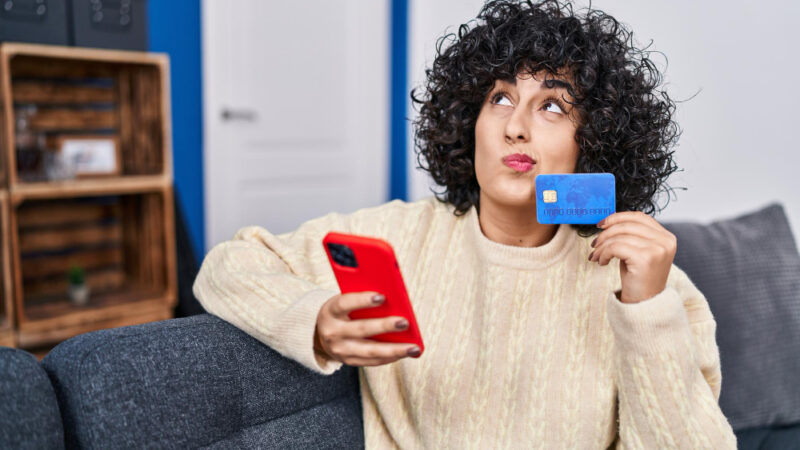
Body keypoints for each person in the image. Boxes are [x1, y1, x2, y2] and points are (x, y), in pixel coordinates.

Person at [193, 0, 737, 447]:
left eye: (552, 106)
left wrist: (647, 314)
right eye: (500, 98)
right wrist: (313, 321)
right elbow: (226, 265)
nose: (516, 127)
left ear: (592, 140)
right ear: (467, 121)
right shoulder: (396, 238)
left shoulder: (650, 288)